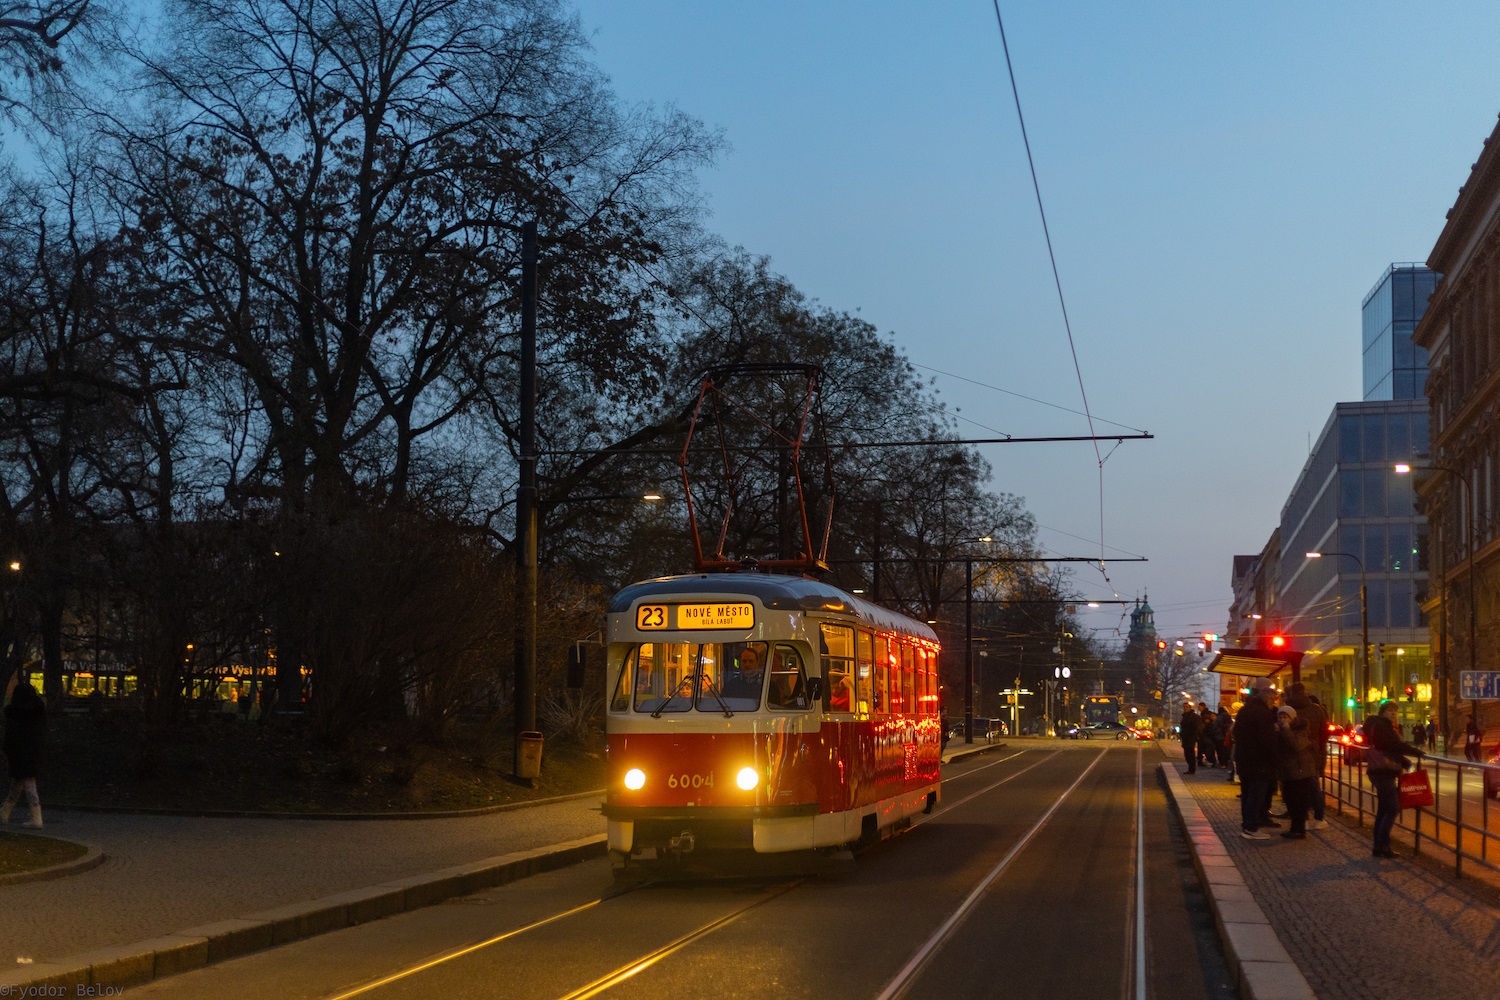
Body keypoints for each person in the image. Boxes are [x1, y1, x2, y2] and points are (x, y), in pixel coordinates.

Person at [1364, 699, 1426, 859]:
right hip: (1382, 771)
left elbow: (1389, 748)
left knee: (1384, 809)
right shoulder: (1382, 726)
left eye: (1395, 711)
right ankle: (1384, 846)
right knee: (1392, 808)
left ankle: (1378, 847)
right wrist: (1416, 752)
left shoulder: (1381, 725)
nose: (1393, 713)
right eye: (1390, 710)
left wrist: (1405, 762)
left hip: (1380, 770)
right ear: (1383, 712)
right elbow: (1393, 746)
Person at [1, 672, 47, 829]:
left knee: (24, 782)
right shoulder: (38, 713)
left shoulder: (14, 714)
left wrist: (8, 750)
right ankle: (6, 813)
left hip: (19, 752)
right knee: (23, 782)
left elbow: (11, 737)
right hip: (34, 752)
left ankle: (35, 818)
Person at [1235, 678, 1278, 839]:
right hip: (1260, 762)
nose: (1273, 701)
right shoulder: (1263, 713)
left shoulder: (1245, 710)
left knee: (1247, 794)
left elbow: (1237, 734)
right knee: (1256, 795)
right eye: (1272, 698)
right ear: (1266, 696)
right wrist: (1274, 758)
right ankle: (1251, 828)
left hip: (1244, 760)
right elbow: (1267, 741)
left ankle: (1247, 825)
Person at [1284, 684, 1329, 830]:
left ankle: (1301, 819)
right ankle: (1319, 818)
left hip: (1292, 751)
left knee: (1295, 787)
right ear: (1305, 692)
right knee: (1314, 785)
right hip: (1313, 751)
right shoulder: (1316, 709)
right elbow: (1325, 731)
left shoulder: (1287, 709)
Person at [1273, 705, 1318, 839]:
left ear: (1292, 718)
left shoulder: (1301, 730)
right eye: (1280, 716)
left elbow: (1296, 746)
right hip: (1287, 771)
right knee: (1289, 800)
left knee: (1298, 802)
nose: (1282, 719)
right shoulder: (1281, 729)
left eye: (1285, 717)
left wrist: (1285, 730)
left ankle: (1298, 830)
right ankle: (1295, 829)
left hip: (1301, 771)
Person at [1178, 702, 1203, 774]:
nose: (1185, 708)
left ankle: (1192, 769)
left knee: (1190, 753)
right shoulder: (1185, 716)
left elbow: (1198, 727)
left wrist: (1196, 736)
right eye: (1184, 707)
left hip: (1191, 737)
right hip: (1185, 737)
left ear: (1190, 708)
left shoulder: (1194, 717)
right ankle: (1190, 768)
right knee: (1187, 754)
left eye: (1186, 707)